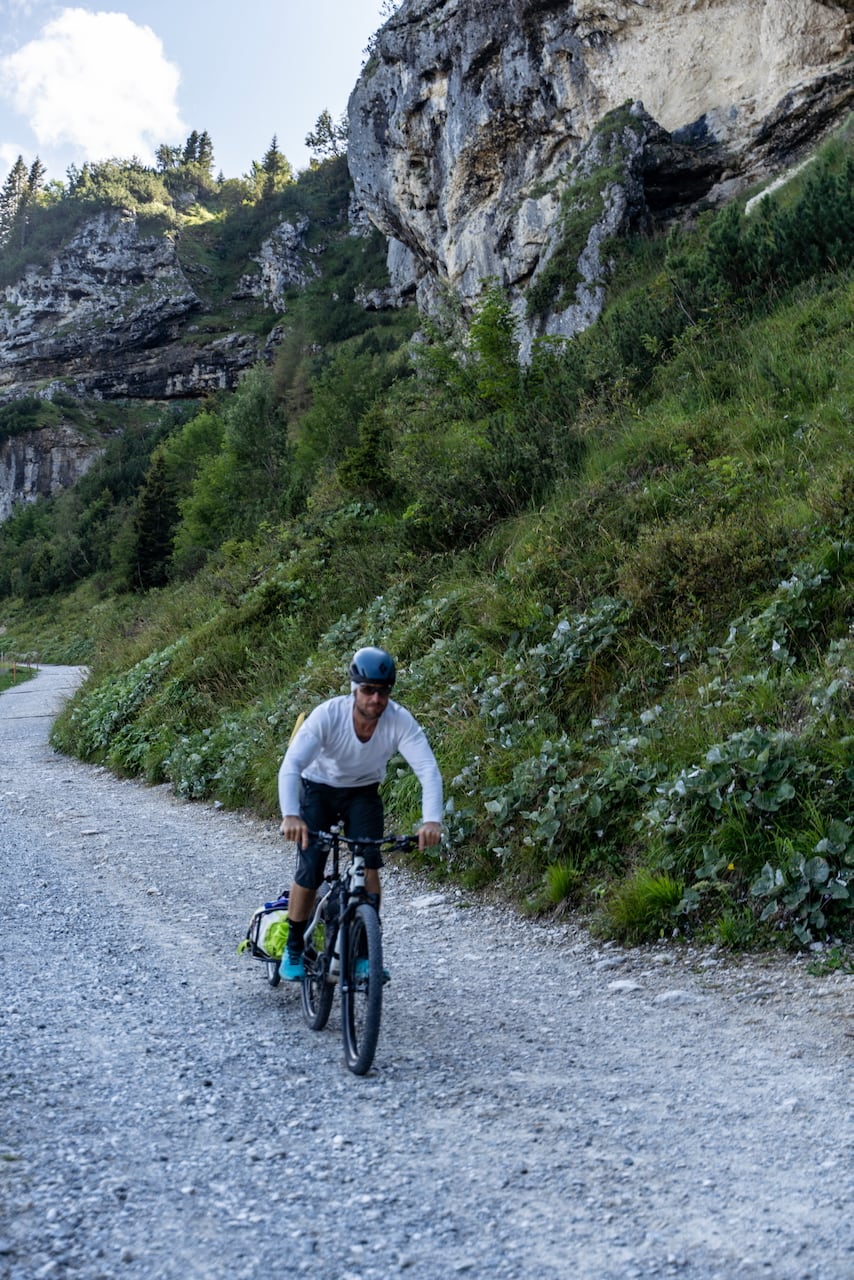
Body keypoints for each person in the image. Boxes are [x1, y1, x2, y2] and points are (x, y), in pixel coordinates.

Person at [278, 645, 443, 981]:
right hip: (318, 789)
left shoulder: (399, 720)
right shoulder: (328, 715)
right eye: (368, 691)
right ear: (355, 689)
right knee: (311, 866)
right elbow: (292, 764)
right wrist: (291, 815)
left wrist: (432, 821)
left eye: (383, 692)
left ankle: (366, 954)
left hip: (362, 793)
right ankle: (293, 947)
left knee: (369, 863)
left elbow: (427, 769)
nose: (376, 700)